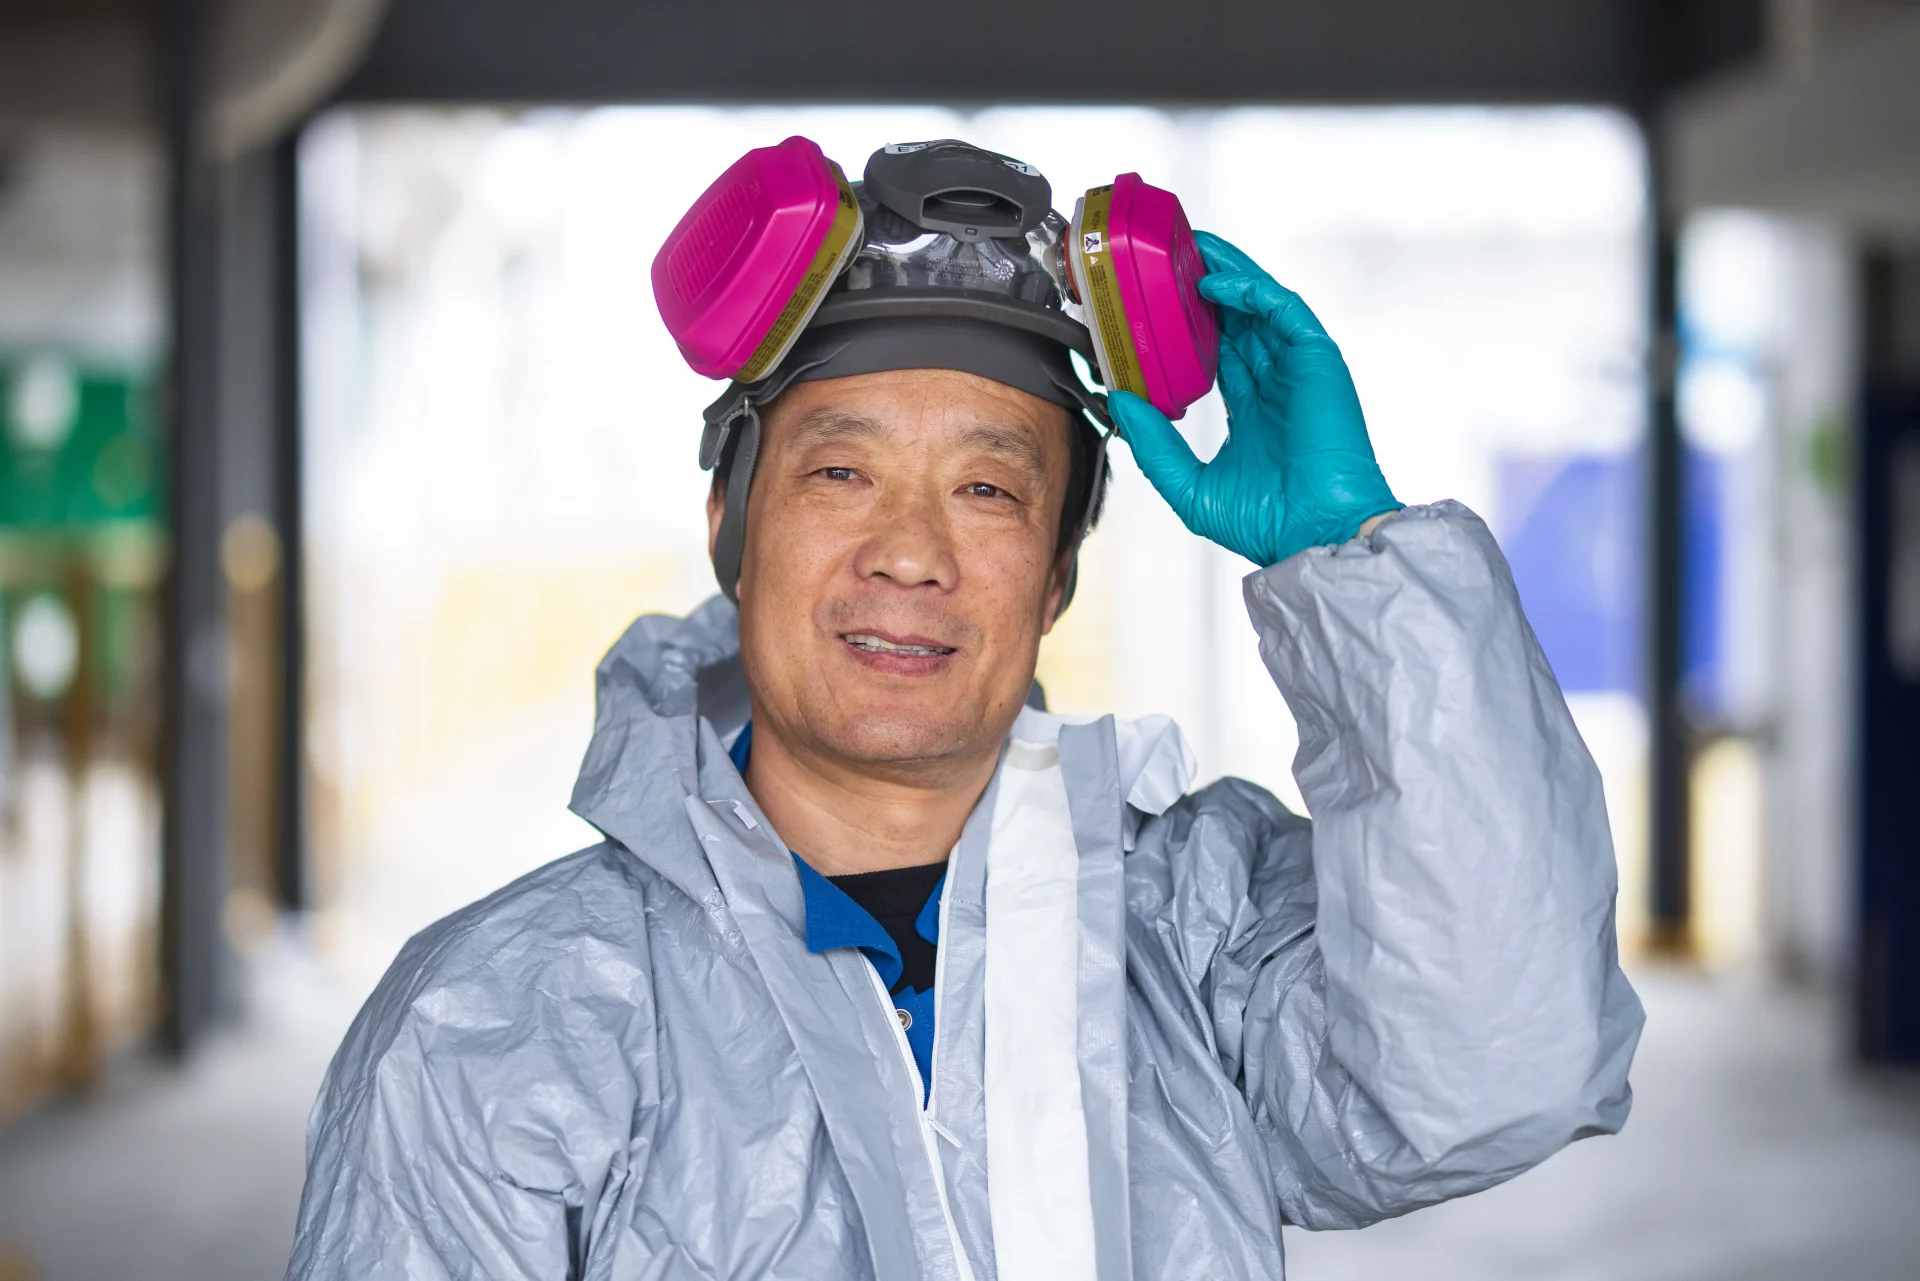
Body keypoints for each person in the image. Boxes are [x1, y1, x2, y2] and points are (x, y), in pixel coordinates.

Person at [286, 140, 1642, 1281]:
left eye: (990, 490)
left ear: (1053, 578)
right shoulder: (501, 1022)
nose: (913, 553)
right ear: (728, 528)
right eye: (839, 475)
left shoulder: (1191, 935)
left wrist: (1357, 563)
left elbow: (1498, 1071)